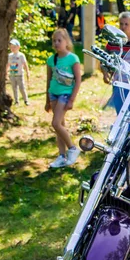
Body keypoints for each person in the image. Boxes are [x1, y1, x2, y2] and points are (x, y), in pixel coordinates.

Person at [45, 29, 82, 168]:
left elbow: (78, 80)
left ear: (67, 41)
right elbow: (48, 81)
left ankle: (72, 148)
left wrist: (72, 99)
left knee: (55, 124)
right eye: (54, 40)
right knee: (60, 126)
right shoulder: (51, 60)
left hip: (65, 95)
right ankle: (61, 156)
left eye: (59, 40)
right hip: (53, 94)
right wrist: (47, 100)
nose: (56, 43)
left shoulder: (73, 59)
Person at [7, 39, 30, 106]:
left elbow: (25, 64)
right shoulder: (10, 56)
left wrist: (27, 71)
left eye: (14, 47)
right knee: (14, 88)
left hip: (19, 74)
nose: (12, 48)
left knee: (22, 88)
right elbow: (8, 64)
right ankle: (16, 101)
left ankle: (26, 100)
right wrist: (6, 72)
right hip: (12, 74)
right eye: (11, 47)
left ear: (18, 47)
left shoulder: (21, 55)